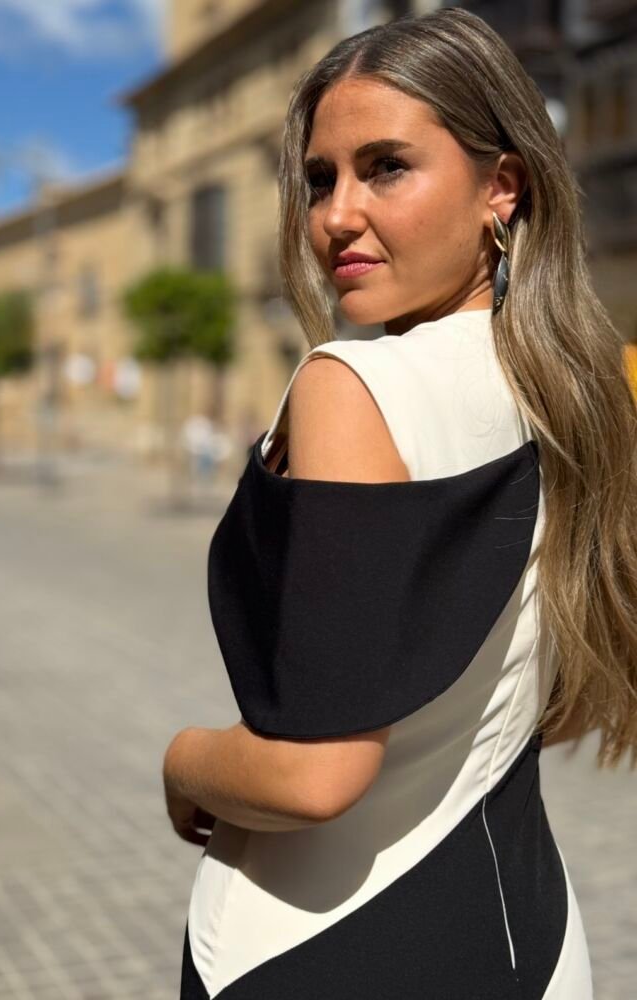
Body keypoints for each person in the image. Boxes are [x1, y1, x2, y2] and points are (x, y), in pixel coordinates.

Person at [163, 8, 637, 998]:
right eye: (318, 179)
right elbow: (543, 694)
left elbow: (315, 774)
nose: (337, 215)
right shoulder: (571, 391)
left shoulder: (353, 384)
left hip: (316, 945)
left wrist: (185, 762)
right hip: (535, 939)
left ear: (501, 186)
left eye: (385, 167)